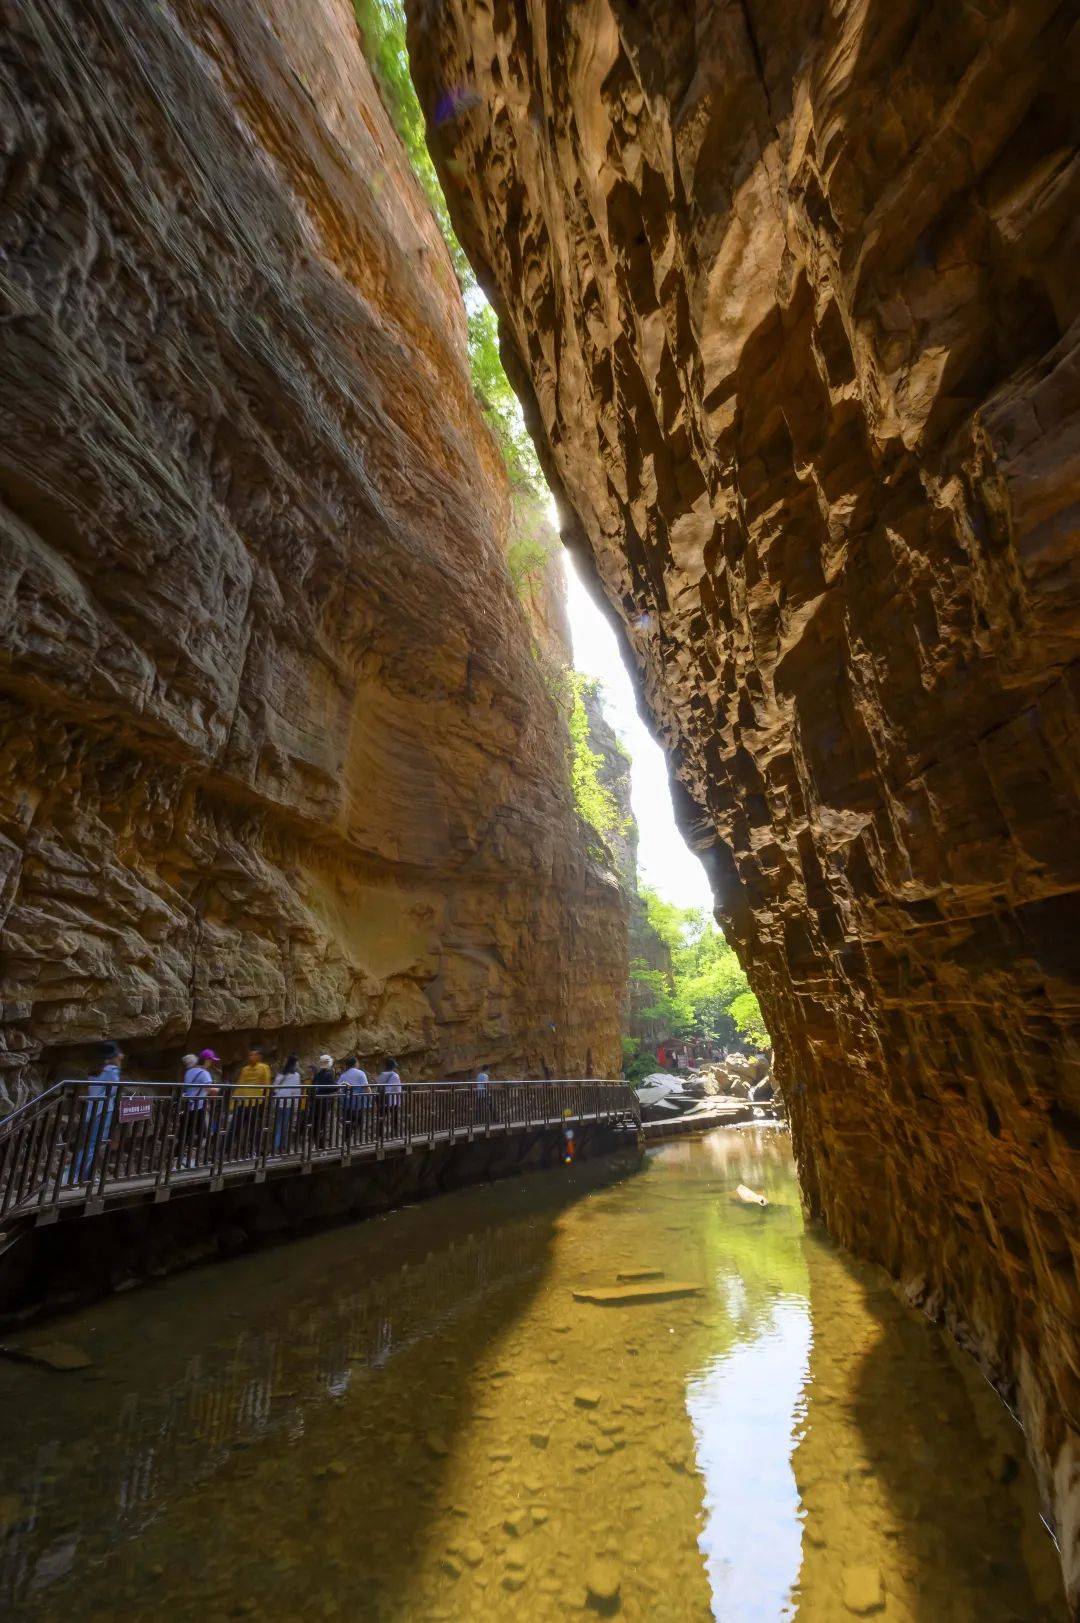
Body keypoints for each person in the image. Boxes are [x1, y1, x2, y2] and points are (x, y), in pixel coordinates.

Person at [69, 1041, 122, 1185]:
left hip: (93, 1110)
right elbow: (115, 1088)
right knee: (93, 1145)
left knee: (91, 1144)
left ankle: (84, 1176)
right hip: (103, 1111)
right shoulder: (111, 1070)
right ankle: (75, 1177)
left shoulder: (97, 1071)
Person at [179, 1048, 219, 1166]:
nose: (212, 1063)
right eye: (211, 1060)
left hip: (188, 1106)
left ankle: (181, 1158)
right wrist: (218, 1088)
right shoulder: (204, 1073)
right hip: (198, 1107)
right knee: (202, 1134)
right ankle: (188, 1159)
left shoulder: (189, 1071)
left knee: (187, 1132)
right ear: (206, 1060)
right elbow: (210, 1090)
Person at [232, 1046, 271, 1158]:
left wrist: (265, 1102)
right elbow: (240, 1084)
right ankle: (230, 1151)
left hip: (255, 1103)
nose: (251, 1057)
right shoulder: (245, 1069)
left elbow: (266, 1085)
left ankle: (251, 1151)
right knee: (236, 1127)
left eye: (253, 1054)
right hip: (242, 1103)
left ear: (259, 1056)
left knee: (253, 1129)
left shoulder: (264, 1068)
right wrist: (233, 1102)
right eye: (250, 1055)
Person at [272, 1053, 302, 1154]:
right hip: (288, 1103)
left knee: (278, 1126)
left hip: (279, 1102)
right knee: (285, 1126)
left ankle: (275, 1149)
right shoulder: (296, 1075)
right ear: (295, 1063)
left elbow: (275, 1087)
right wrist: (297, 1105)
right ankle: (282, 1148)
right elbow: (296, 1091)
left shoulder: (281, 1074)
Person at [338, 1055, 370, 1140]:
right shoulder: (360, 1073)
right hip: (358, 1104)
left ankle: (346, 1143)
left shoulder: (343, 1075)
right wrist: (370, 1099)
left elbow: (338, 1088)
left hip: (346, 1104)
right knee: (358, 1123)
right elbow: (366, 1087)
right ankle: (356, 1142)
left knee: (347, 1124)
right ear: (355, 1063)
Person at [310, 1053, 338, 1149]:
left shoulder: (318, 1075)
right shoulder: (328, 1074)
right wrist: (341, 1084)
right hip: (324, 1102)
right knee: (322, 1123)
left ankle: (315, 1143)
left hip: (315, 1101)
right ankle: (320, 1145)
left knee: (317, 1122)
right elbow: (333, 1087)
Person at [376, 1058, 402, 1137]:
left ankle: (380, 1134)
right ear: (393, 1067)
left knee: (381, 1117)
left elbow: (378, 1087)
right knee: (394, 1118)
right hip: (392, 1100)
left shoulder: (381, 1075)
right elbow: (398, 1089)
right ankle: (395, 1133)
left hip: (382, 1099)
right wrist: (399, 1101)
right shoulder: (395, 1075)